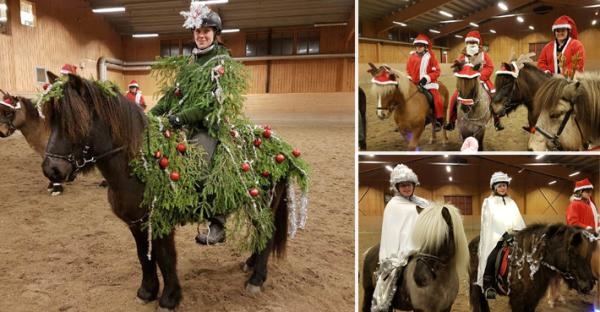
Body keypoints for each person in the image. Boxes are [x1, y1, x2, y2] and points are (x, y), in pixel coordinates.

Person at [371, 164, 430, 311]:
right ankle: (387, 301)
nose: (407, 188)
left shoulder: (422, 203)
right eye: (403, 185)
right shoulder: (393, 205)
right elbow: (394, 229)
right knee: (392, 274)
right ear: (397, 187)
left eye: (409, 185)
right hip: (401, 246)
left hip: (423, 243)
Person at [547, 178, 598, 307]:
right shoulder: (574, 205)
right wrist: (586, 228)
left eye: (590, 191)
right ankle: (555, 292)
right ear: (580, 192)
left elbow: (595, 220)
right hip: (578, 234)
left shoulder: (590, 205)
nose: (589, 194)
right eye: (586, 191)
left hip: (592, 234)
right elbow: (573, 222)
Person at [477, 171, 526, 299]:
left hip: (514, 235)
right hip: (496, 236)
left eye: (504, 185)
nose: (502, 188)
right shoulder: (489, 202)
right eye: (499, 186)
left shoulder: (511, 201)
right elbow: (491, 221)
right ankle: (488, 285)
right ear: (494, 187)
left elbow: (518, 218)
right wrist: (504, 235)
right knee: (492, 256)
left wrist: (521, 232)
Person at [445, 30, 504, 131]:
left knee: (493, 95)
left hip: (481, 80)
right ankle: (451, 121)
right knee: (454, 97)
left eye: (473, 42)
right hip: (466, 82)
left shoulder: (483, 55)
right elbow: (459, 66)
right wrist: (458, 68)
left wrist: (479, 76)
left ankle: (497, 120)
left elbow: (490, 67)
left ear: (477, 43)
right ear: (466, 43)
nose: (471, 44)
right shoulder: (463, 55)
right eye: (469, 42)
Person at [406, 34, 444, 131]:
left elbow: (437, 71)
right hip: (413, 83)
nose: (418, 47)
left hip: (428, 84)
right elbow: (408, 70)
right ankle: (403, 120)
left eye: (421, 46)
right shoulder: (411, 57)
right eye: (417, 46)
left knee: (437, 99)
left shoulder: (431, 57)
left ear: (425, 47)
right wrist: (409, 78)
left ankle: (439, 120)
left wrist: (426, 78)